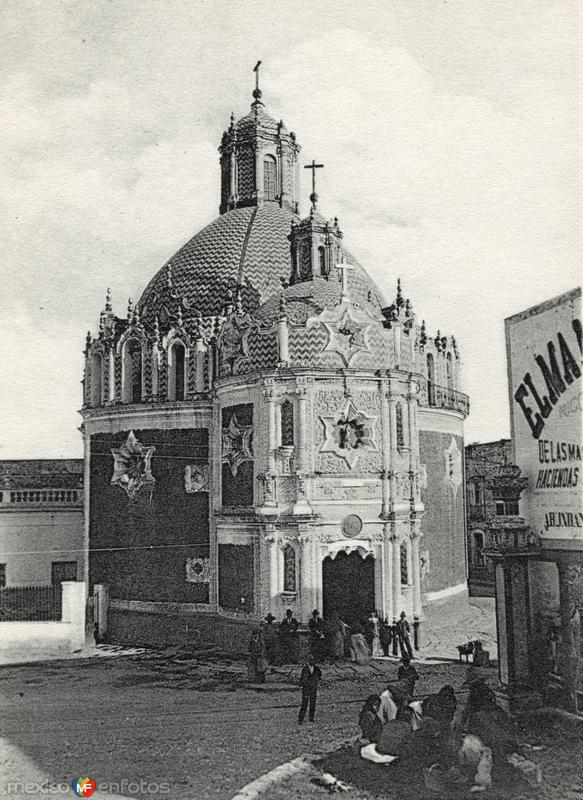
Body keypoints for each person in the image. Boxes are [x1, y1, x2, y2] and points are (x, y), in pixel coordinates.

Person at [298, 656, 322, 724]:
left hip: (313, 688)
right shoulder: (305, 669)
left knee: (313, 703)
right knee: (304, 704)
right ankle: (300, 719)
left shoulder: (317, 668)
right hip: (306, 688)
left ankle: (311, 718)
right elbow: (302, 679)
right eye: (311, 660)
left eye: (314, 661)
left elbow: (320, 675)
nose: (313, 662)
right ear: (308, 661)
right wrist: (302, 686)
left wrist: (316, 681)